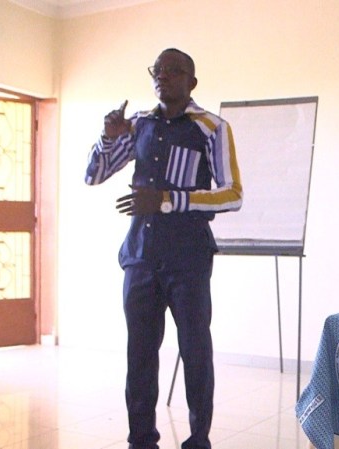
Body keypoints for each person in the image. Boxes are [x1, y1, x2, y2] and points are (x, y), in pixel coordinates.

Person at [84, 48, 242, 449]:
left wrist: (167, 199)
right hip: (140, 257)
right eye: (157, 70)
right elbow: (93, 175)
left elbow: (233, 195)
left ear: (192, 82)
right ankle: (141, 439)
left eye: (174, 71)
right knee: (139, 353)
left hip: (188, 260)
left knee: (195, 351)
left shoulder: (211, 128)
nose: (163, 76)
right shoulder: (138, 125)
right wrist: (108, 137)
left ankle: (198, 439)